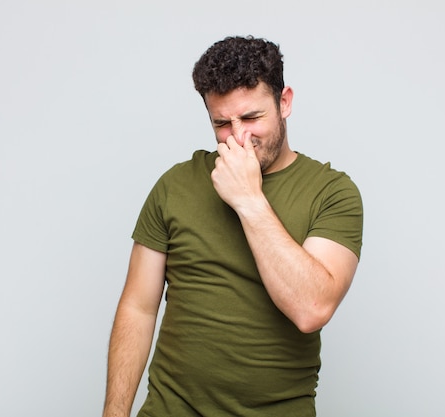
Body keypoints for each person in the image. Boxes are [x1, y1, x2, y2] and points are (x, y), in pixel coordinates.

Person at [103, 35, 363, 417]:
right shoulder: (175, 185)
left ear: (284, 102)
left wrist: (248, 200)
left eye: (252, 117)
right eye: (222, 122)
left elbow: (311, 307)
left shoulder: (333, 192)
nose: (238, 135)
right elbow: (138, 308)